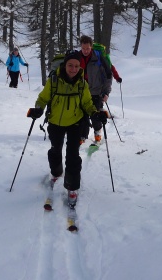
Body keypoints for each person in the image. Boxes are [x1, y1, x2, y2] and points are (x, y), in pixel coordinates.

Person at [27, 51, 106, 206]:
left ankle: (72, 186)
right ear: (65, 65)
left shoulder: (82, 83)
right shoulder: (54, 80)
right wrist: (39, 108)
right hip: (55, 122)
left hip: (75, 124)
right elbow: (43, 98)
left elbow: (87, 104)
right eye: (70, 65)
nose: (73, 69)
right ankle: (56, 173)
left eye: (77, 66)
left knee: (73, 155)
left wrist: (95, 114)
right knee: (55, 149)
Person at [78, 35, 113, 144]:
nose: (85, 51)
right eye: (83, 48)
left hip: (96, 92)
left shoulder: (98, 57)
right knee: (82, 116)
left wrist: (106, 92)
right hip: (81, 92)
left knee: (95, 116)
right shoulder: (77, 57)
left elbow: (108, 75)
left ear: (91, 47)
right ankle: (82, 136)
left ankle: (97, 134)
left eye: (87, 48)